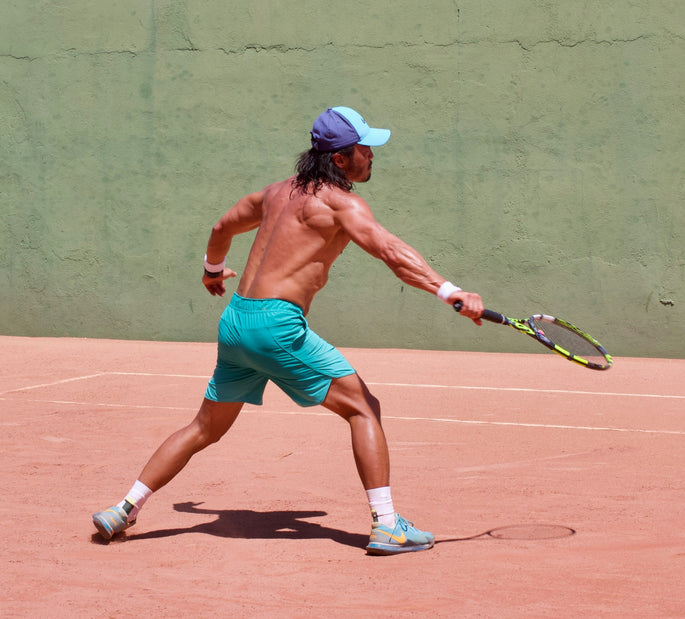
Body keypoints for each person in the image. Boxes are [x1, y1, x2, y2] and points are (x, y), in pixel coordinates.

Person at [92, 106, 485, 555]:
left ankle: (123, 509)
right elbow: (390, 250)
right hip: (277, 326)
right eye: (365, 148)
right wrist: (449, 291)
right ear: (340, 159)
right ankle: (388, 525)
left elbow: (222, 226)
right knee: (364, 408)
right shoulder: (342, 203)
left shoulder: (276, 194)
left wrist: (212, 271)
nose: (372, 155)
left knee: (204, 427)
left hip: (235, 323)